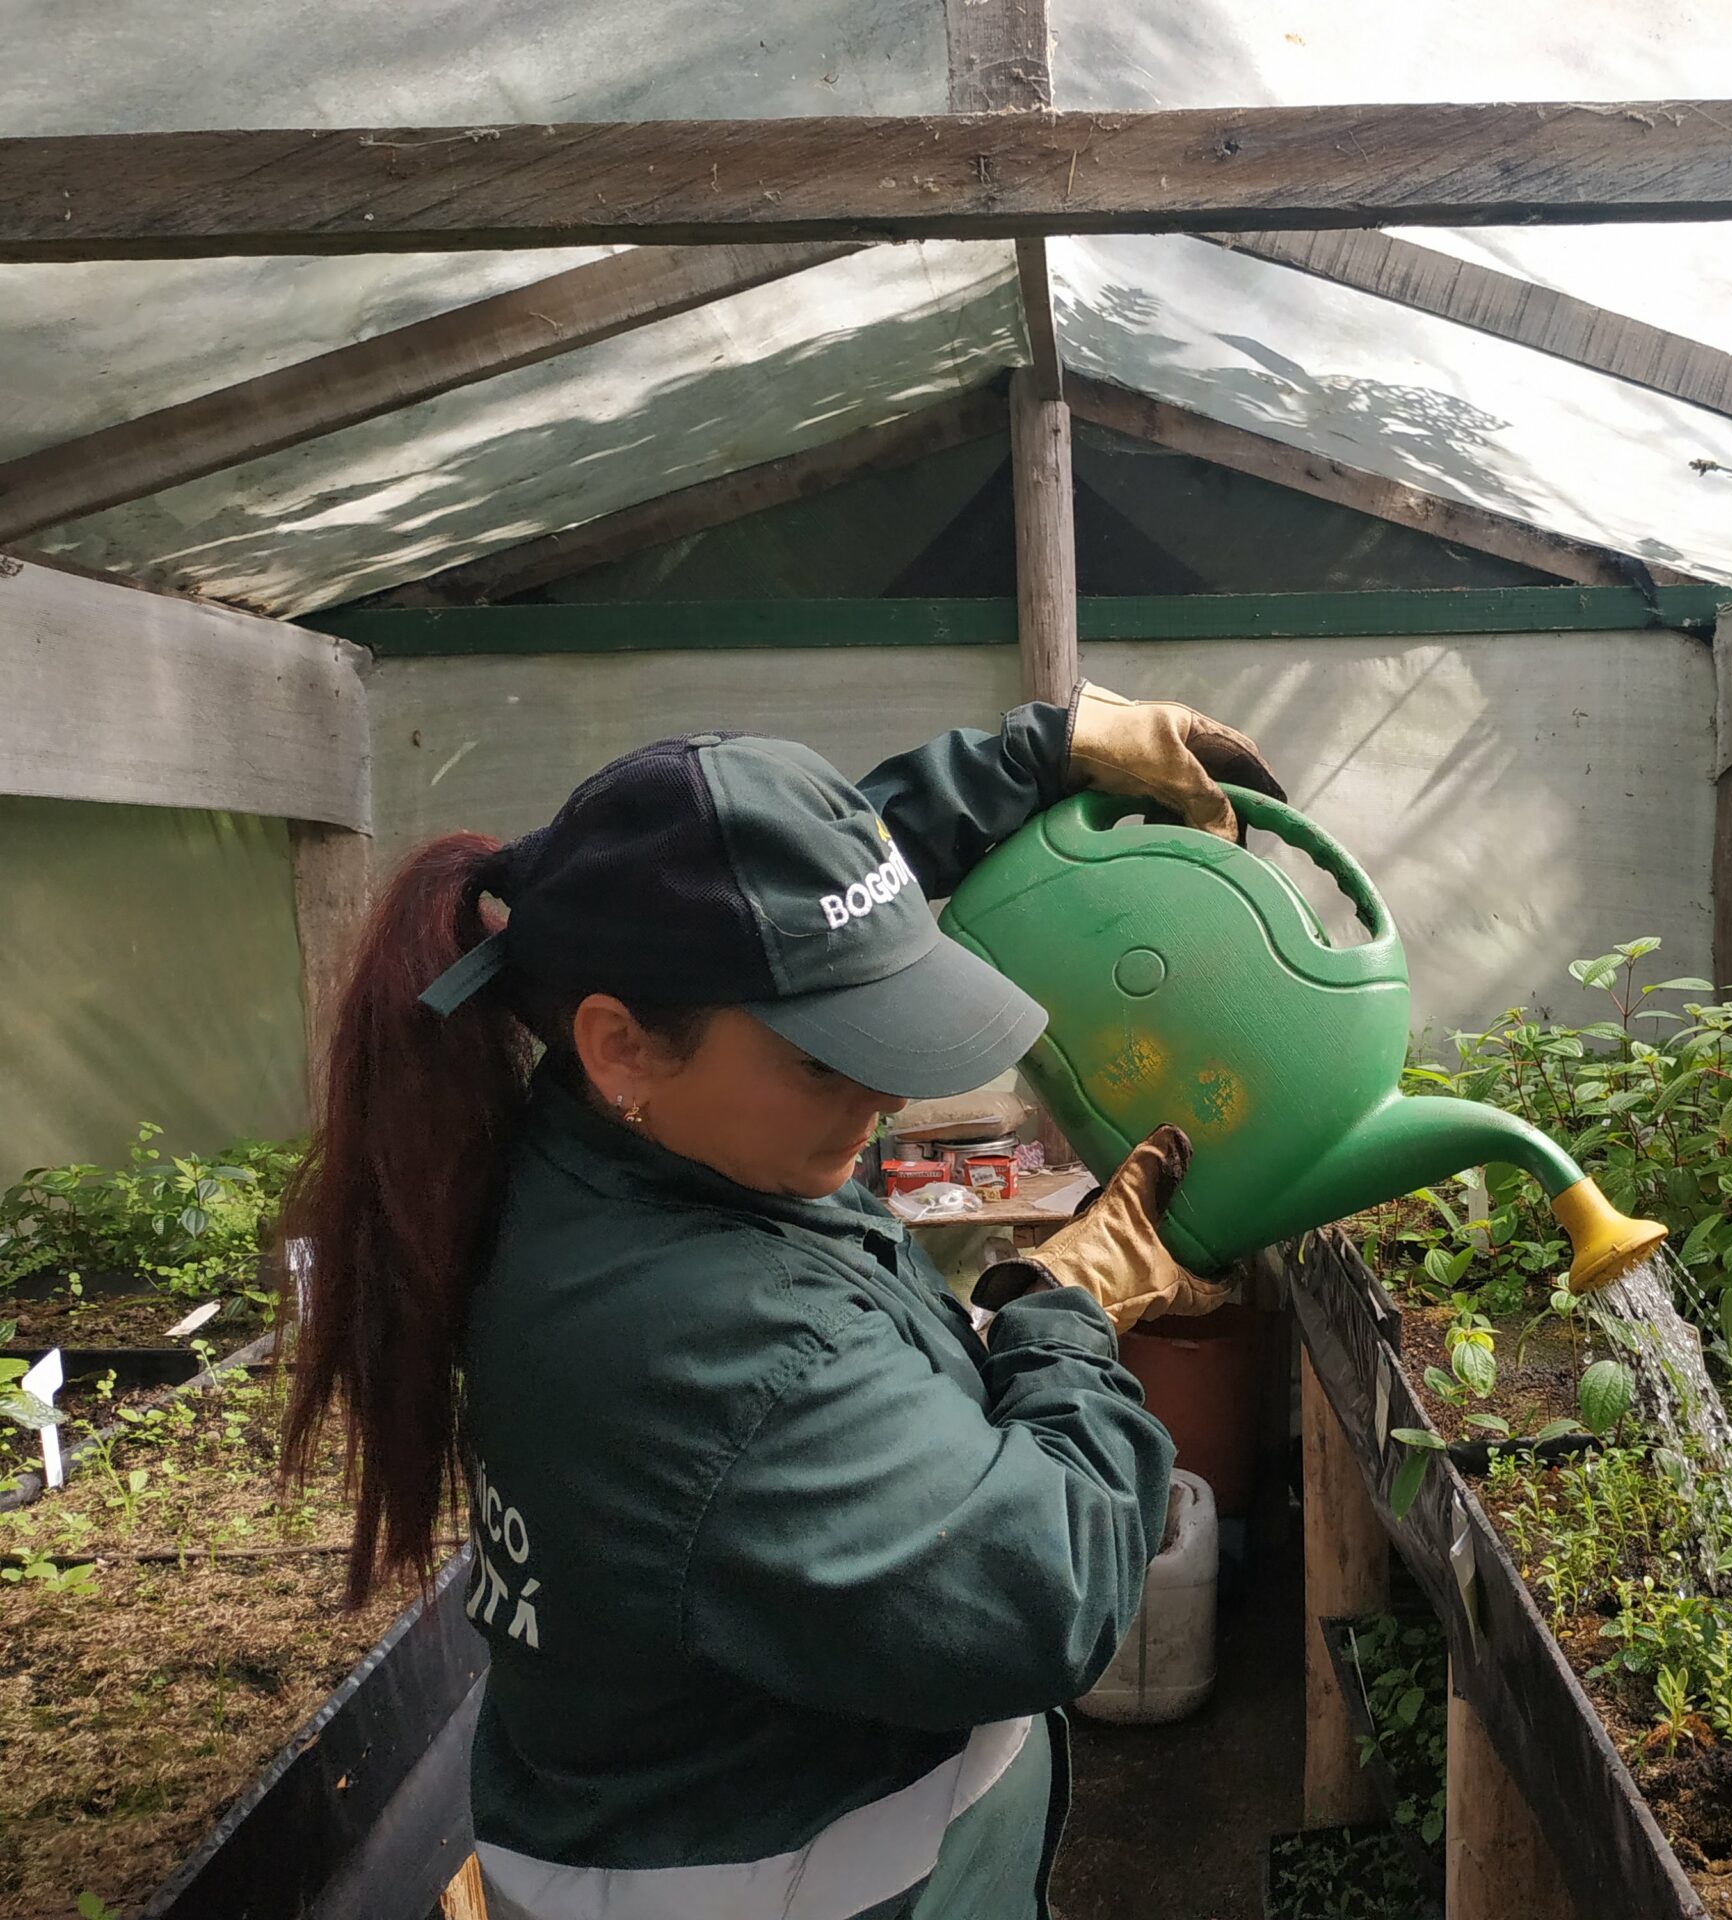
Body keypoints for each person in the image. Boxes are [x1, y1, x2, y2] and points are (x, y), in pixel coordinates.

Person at [280, 687, 1286, 1920]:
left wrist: (1038, 754)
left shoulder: (626, 1127)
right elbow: (1051, 1590)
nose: (881, 1097)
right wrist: (1059, 1310)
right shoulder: (713, 1346)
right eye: (830, 1055)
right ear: (621, 1045)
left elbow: (788, 924)